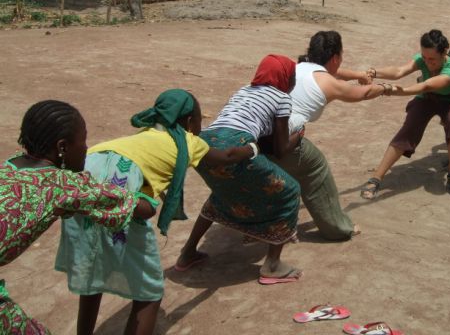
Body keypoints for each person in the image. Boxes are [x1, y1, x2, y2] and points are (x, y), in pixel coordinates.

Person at [55, 89, 254, 335]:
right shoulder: (189, 141)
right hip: (120, 188)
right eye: (200, 120)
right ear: (190, 122)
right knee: (149, 293)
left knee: (92, 278)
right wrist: (251, 150)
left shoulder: (144, 135)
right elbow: (226, 156)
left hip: (88, 171)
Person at [1, 100, 156, 334]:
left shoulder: (9, 165)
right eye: (83, 141)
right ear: (62, 147)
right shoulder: (64, 186)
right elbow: (141, 207)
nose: (86, 148)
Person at [176, 55, 304, 284]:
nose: (293, 82)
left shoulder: (243, 90)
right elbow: (281, 148)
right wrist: (299, 135)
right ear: (284, 78)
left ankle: (187, 253)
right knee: (290, 190)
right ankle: (273, 264)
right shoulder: (283, 98)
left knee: (222, 193)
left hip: (204, 142)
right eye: (292, 77)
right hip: (234, 144)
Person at [265, 31, 387, 241]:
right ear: (335, 58)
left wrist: (358, 75)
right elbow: (363, 93)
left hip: (261, 129)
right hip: (282, 138)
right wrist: (386, 87)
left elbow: (331, 73)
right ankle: (338, 227)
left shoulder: (295, 66)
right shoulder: (329, 82)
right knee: (315, 167)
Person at [361, 30, 450, 199]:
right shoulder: (423, 59)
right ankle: (376, 177)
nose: (427, 62)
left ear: (445, 51)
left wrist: (390, 90)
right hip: (427, 98)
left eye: (432, 59)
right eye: (424, 58)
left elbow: (426, 85)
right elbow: (398, 72)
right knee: (408, 129)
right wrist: (374, 72)